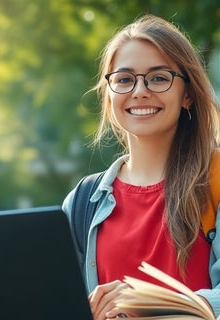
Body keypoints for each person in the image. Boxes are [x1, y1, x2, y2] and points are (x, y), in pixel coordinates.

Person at [62, 14, 220, 319]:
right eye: (124, 79)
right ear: (109, 97)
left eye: (159, 77)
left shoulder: (217, 179)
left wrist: (148, 304)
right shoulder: (82, 202)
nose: (139, 91)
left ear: (187, 94)